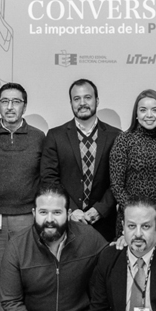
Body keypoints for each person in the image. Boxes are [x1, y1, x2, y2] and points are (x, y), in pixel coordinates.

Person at [0, 82, 44, 311]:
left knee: (29, 273)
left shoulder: (38, 137)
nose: (10, 107)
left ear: (24, 106)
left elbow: (45, 178)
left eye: (16, 101)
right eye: (5, 101)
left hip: (27, 217)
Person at [41, 79, 121, 240]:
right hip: (67, 222)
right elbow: (49, 179)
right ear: (71, 103)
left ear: (97, 100)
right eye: (76, 99)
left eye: (87, 97)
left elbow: (118, 180)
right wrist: (70, 209)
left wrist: (100, 209)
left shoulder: (116, 136)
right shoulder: (55, 136)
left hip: (104, 224)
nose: (82, 103)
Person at [110, 89, 156, 241]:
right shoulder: (124, 140)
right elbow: (116, 185)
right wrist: (136, 217)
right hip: (132, 222)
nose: (149, 115)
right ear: (136, 114)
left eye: (155, 110)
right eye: (143, 110)